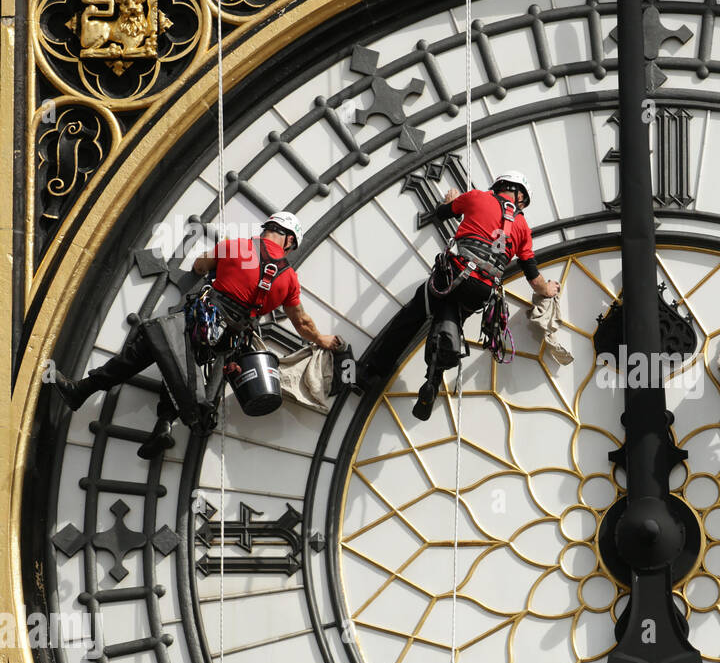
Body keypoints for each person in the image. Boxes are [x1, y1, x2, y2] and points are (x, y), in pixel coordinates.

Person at [54, 211, 341, 458]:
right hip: (227, 339)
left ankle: (83, 390)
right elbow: (302, 322)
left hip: (202, 319)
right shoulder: (289, 279)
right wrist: (323, 341)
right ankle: (164, 425)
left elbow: (200, 266)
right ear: (290, 240)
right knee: (182, 364)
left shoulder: (238, 247)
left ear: (269, 229)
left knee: (153, 345)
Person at [357, 170, 560, 420]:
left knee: (411, 317)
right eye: (523, 201)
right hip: (482, 290)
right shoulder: (522, 227)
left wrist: (450, 199)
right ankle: (432, 380)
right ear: (518, 194)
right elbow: (532, 275)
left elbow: (442, 214)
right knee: (450, 324)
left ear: (500, 185)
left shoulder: (477, 197)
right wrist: (547, 289)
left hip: (453, 275)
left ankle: (370, 374)